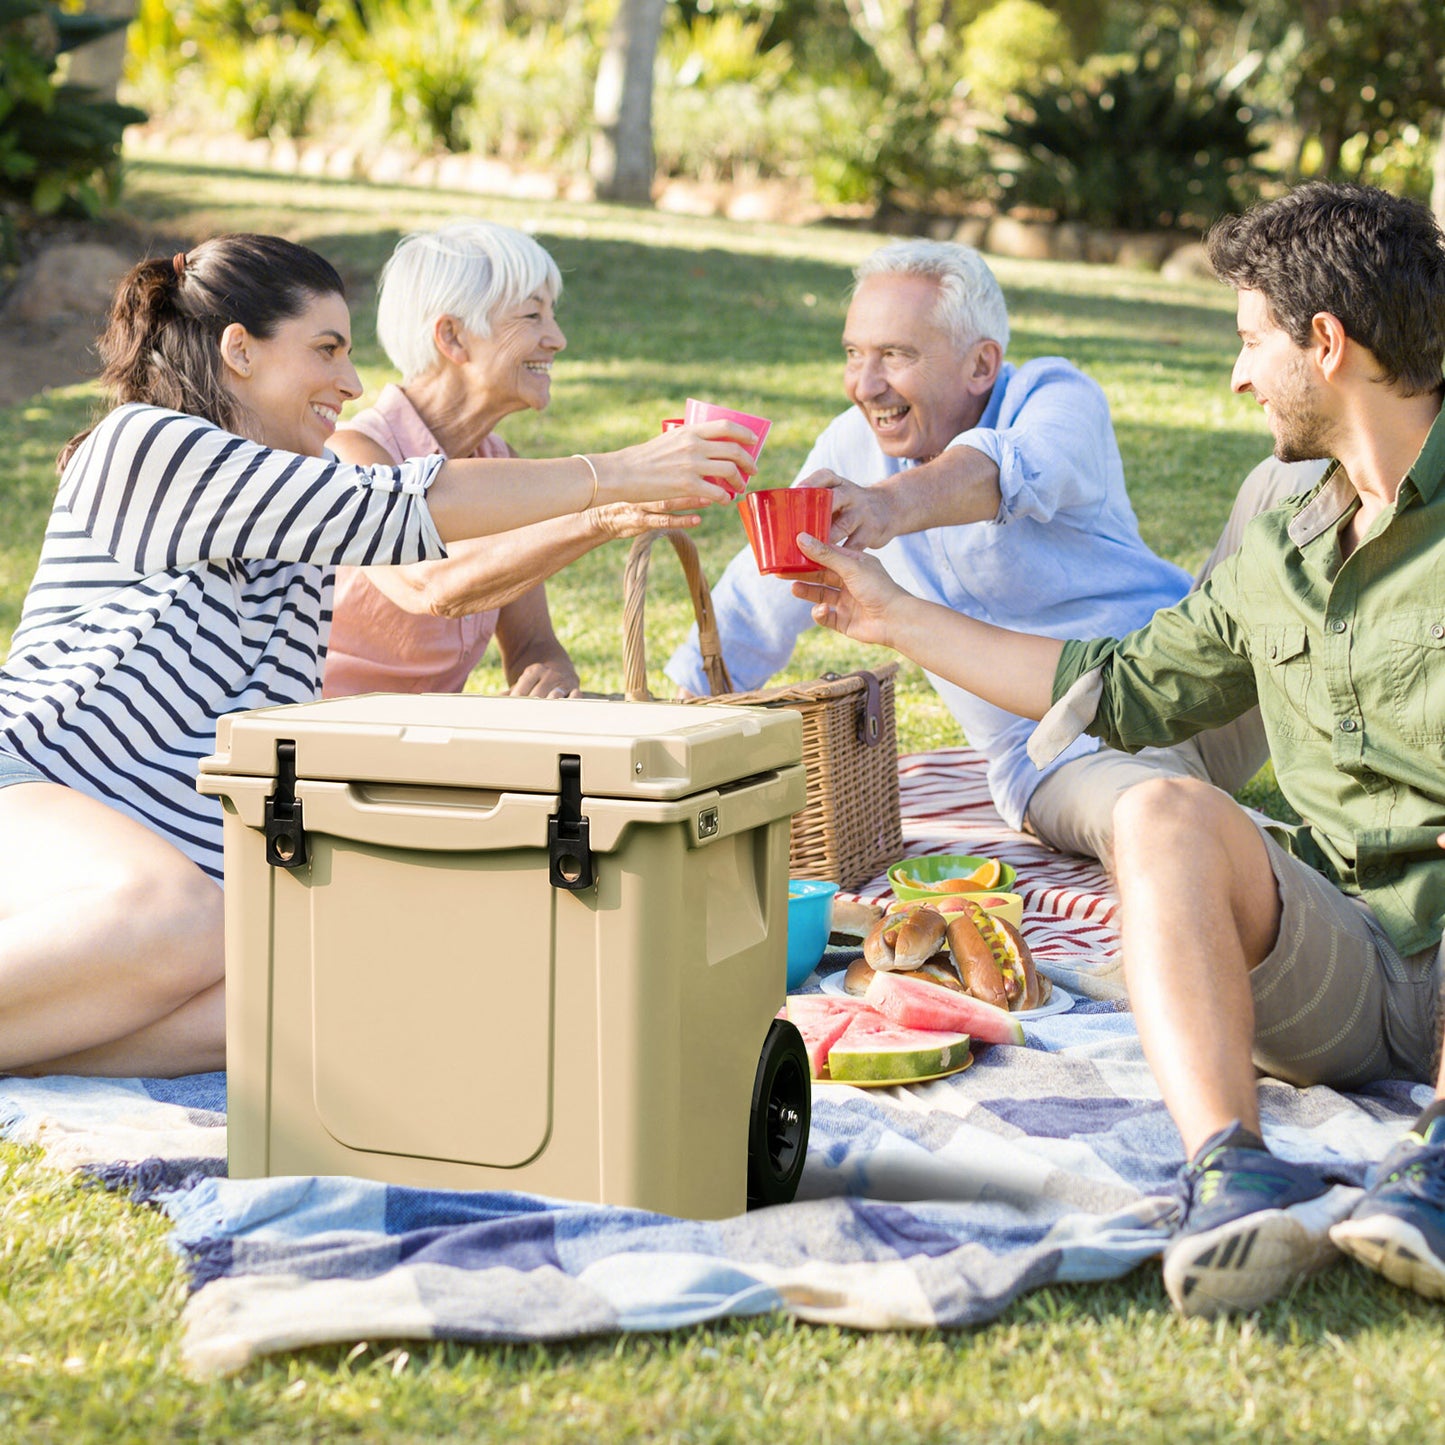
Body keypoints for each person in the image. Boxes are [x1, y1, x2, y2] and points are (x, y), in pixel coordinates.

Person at [789, 182, 1445, 1316]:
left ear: (1324, 344)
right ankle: (1231, 1175)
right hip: (1341, 952)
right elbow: (1127, 683)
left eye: (1250, 341)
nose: (1236, 374)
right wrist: (888, 613)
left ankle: (1432, 1176)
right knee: (1156, 810)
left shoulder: (1057, 403)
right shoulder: (1284, 521)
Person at [0, 233, 754, 1079]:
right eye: (326, 350)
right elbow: (395, 510)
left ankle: (36, 1036)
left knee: (346, 989)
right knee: (184, 916)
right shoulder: (144, 444)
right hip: (32, 789)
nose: (353, 383)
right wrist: (618, 472)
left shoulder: (298, 540)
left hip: (173, 873)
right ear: (240, 350)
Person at [666, 240, 1304, 870]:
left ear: (981, 365)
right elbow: (761, 593)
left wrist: (887, 504)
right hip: (1062, 754)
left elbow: (1008, 469)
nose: (865, 384)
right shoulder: (850, 447)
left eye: (895, 354)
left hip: (1192, 681)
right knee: (1168, 826)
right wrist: (670, 727)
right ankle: (1302, 875)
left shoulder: (1056, 396)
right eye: (855, 353)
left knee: (1291, 481)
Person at [324, 221, 701, 699]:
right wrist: (600, 514)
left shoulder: (500, 462)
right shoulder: (352, 456)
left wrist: (550, 671)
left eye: (552, 315)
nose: (558, 339)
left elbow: (531, 643)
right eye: (531, 317)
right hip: (319, 747)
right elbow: (430, 583)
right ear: (453, 337)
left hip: (427, 750)